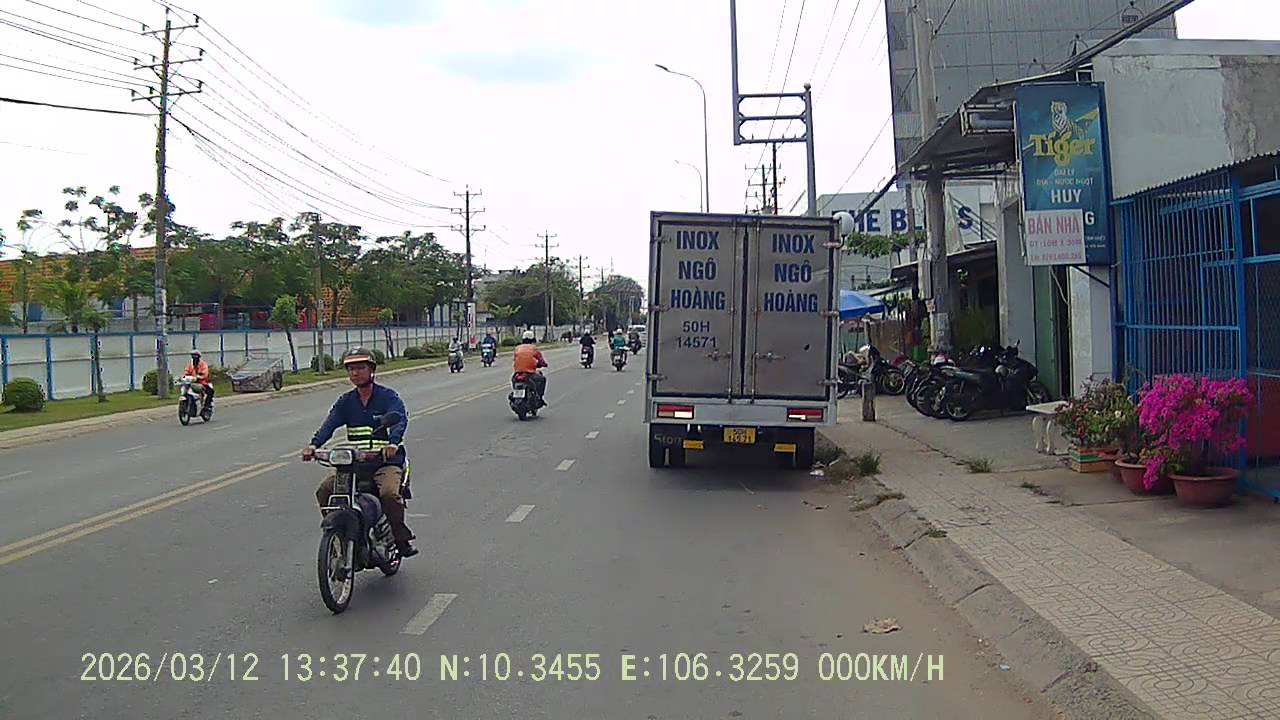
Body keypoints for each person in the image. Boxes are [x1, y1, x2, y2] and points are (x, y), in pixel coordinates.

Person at [303, 347, 417, 557]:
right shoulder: (346, 401)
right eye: (351, 369)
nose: (355, 373)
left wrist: (392, 444)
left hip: (385, 463)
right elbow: (330, 424)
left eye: (360, 368)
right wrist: (314, 445)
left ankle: (401, 539)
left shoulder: (387, 397)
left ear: (371, 370)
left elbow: (399, 419)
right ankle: (338, 534)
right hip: (355, 464)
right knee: (325, 491)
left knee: (389, 494)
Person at [513, 330, 548, 404]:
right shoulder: (534, 348)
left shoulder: (517, 348)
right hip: (529, 373)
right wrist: (544, 364)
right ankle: (540, 397)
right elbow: (541, 360)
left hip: (518, 373)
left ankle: (515, 393)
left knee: (513, 380)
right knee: (542, 379)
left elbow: (515, 359)